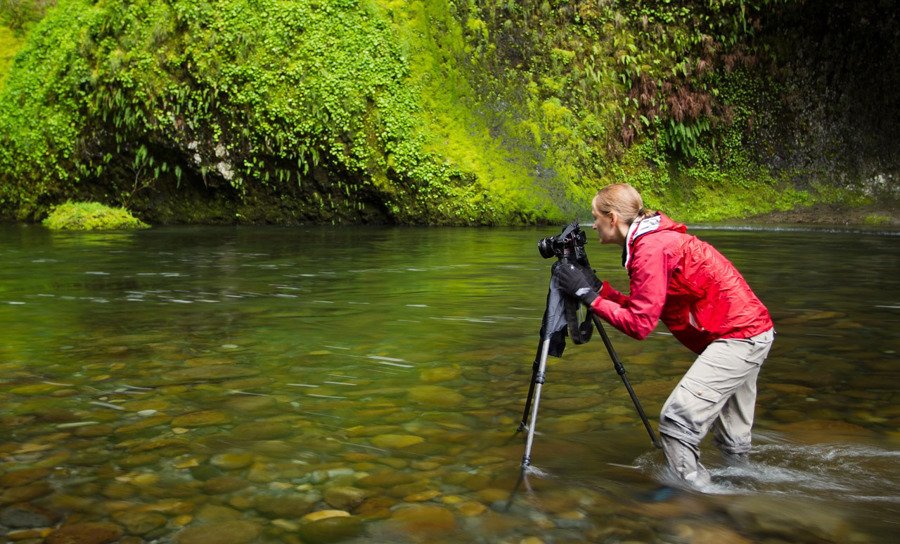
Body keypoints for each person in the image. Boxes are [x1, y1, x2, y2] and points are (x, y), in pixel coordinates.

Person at [557, 183, 775, 489]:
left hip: (738, 337)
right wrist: (597, 289)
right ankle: (744, 492)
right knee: (731, 440)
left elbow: (639, 325)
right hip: (752, 332)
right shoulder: (653, 239)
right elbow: (645, 307)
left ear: (612, 218)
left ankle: (694, 494)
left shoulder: (650, 250)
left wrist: (586, 296)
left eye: (595, 217)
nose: (593, 225)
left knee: (677, 422)